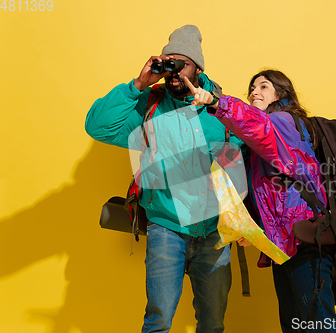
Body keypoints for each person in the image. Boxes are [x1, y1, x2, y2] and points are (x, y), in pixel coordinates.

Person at [85, 25, 246, 333]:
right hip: (166, 228)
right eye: (166, 63)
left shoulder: (219, 107)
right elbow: (98, 127)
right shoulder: (150, 106)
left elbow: (240, 160)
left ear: (197, 68)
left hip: (214, 230)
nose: (173, 72)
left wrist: (241, 219)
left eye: (180, 64)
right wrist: (138, 84)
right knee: (157, 320)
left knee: (213, 324)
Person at [185, 70, 336, 332]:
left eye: (264, 86)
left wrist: (216, 101)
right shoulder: (263, 142)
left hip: (304, 238)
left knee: (318, 323)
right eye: (252, 87)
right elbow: (266, 190)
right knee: (296, 324)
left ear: (280, 94)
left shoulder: (283, 122)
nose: (254, 92)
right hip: (284, 242)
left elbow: (256, 126)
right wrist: (252, 226)